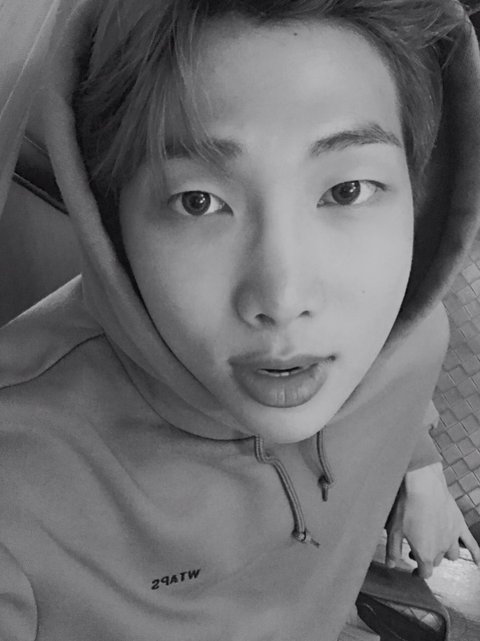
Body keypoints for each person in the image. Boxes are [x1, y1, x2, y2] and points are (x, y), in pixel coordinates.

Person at [1, 0, 480, 639]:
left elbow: (405, 355)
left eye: (347, 190)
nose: (282, 299)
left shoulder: (416, 343)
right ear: (111, 221)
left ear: (419, 198)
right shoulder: (20, 484)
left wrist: (419, 464)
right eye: (199, 201)